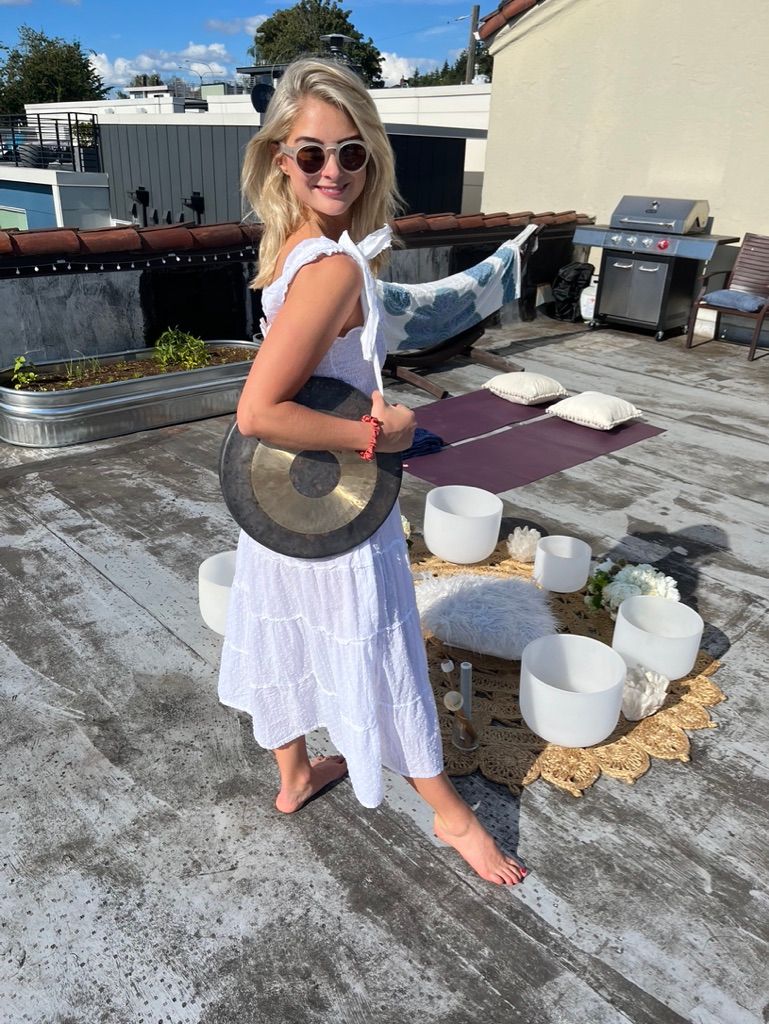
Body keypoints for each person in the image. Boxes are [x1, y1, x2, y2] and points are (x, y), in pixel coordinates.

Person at [218, 58, 526, 887]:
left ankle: (293, 779)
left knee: (282, 628)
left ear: (370, 159)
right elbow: (258, 412)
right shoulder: (329, 267)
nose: (331, 170)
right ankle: (451, 818)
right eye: (310, 153)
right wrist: (378, 436)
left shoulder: (293, 246)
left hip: (282, 503)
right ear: (280, 156)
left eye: (350, 154)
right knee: (379, 652)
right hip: (337, 505)